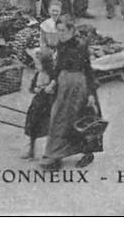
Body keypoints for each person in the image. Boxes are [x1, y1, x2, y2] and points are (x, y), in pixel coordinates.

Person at [40, 16, 101, 170]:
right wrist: (53, 81)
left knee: (80, 120)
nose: (60, 34)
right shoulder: (61, 44)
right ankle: (56, 154)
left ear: (72, 31)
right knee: (58, 118)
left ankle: (87, 153)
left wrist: (91, 94)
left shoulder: (81, 46)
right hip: (63, 85)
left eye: (63, 31)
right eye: (58, 30)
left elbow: (88, 70)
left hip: (78, 86)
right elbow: (59, 65)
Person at [22, 50, 57, 160]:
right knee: (33, 126)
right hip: (37, 104)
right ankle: (31, 151)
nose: (36, 66)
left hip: (48, 105)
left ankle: (50, 152)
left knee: (49, 128)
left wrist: (46, 89)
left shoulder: (52, 76)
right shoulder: (38, 74)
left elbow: (51, 91)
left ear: (45, 64)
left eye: (38, 64)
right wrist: (35, 89)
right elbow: (31, 88)